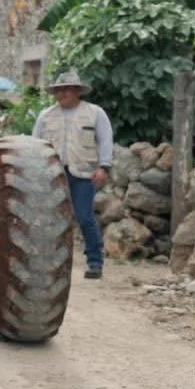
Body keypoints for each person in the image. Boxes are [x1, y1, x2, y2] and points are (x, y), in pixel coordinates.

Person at [32, 70, 114, 280]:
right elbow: (35, 144)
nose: (62, 94)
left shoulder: (95, 113)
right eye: (59, 90)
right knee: (51, 219)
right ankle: (50, 263)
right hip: (52, 174)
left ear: (77, 91)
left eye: (66, 89)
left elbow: (105, 141)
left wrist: (104, 167)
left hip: (83, 173)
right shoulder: (46, 116)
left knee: (85, 217)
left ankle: (95, 262)